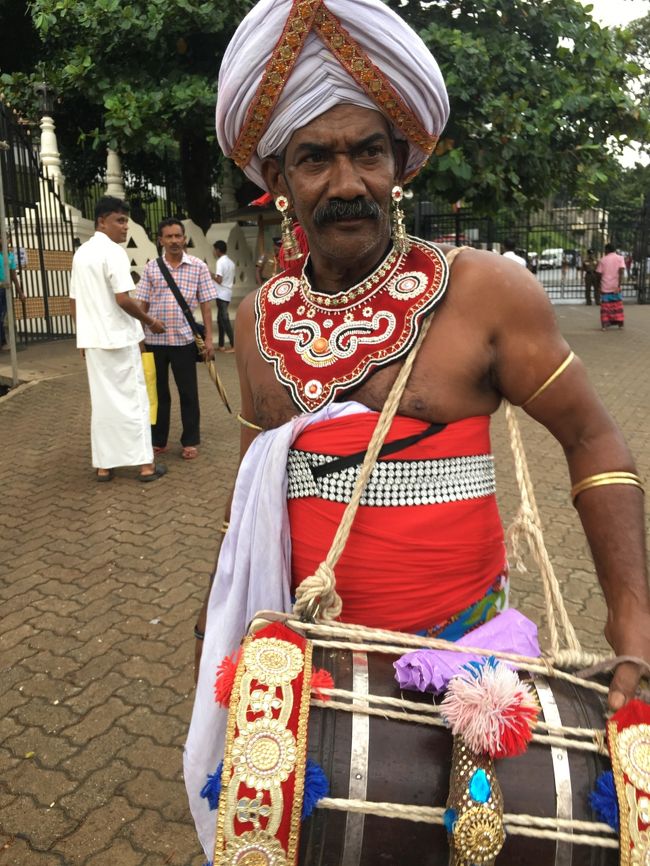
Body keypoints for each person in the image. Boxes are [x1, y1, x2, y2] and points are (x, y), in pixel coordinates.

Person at [185, 0, 649, 858]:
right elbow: (257, 475)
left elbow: (593, 439)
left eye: (367, 150)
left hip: (469, 677)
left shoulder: (483, 292)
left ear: (402, 162)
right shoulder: (255, 323)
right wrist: (227, 604)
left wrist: (634, 622)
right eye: (314, 158)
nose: (346, 180)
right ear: (278, 181)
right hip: (314, 675)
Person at [69, 196, 167, 482]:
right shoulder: (113, 252)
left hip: (95, 342)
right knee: (135, 402)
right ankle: (146, 466)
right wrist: (150, 322)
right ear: (102, 221)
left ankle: (104, 466)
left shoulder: (81, 253)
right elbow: (123, 299)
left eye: (125, 220)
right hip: (120, 339)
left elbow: (73, 301)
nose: (125, 227)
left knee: (103, 404)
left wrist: (82, 337)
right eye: (120, 220)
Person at [135, 218, 217, 461]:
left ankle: (190, 440)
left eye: (177, 236)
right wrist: (140, 338)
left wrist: (210, 339)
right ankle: (158, 440)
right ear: (160, 240)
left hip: (184, 341)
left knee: (188, 392)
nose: (174, 241)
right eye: (168, 237)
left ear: (184, 239)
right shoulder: (151, 268)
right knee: (157, 394)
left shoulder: (198, 267)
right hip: (154, 341)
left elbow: (206, 306)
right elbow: (142, 305)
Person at [0, 233, 26, 350]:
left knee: (2, 316)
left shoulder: (10, 255)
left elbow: (13, 275)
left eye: (7, 238)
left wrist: (20, 292)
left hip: (5, 290)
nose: (6, 240)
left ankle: (2, 342)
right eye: (2, 238)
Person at [212, 240, 235, 353]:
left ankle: (233, 344)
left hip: (221, 293)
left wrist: (210, 273)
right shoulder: (231, 262)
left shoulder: (220, 262)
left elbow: (219, 280)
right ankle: (221, 345)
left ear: (217, 250)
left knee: (224, 319)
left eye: (214, 249)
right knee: (220, 319)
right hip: (227, 292)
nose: (213, 252)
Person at [597, 243, 626, 330]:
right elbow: (621, 271)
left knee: (605, 307)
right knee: (617, 306)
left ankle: (605, 325)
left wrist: (599, 286)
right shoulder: (620, 258)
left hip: (605, 286)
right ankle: (620, 324)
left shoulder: (603, 260)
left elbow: (598, 273)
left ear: (607, 250)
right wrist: (618, 285)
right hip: (615, 287)